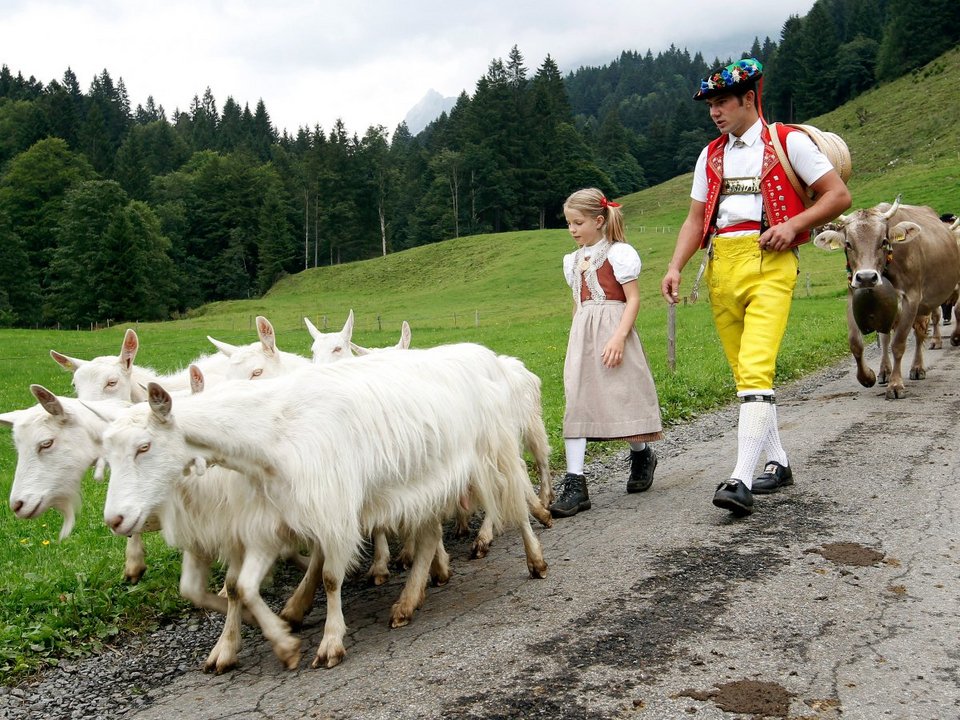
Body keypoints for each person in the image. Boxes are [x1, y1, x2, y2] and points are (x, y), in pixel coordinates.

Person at [659, 58, 851, 517]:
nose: (714, 112)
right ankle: (778, 462)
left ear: (749, 98)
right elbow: (694, 219)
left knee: (755, 369)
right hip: (721, 266)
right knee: (744, 374)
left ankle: (740, 479)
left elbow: (838, 195)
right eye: (710, 105)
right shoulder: (710, 155)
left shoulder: (788, 141)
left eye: (722, 102)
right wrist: (675, 266)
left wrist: (794, 225)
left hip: (771, 262)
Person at [550, 187, 664, 518]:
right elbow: (578, 303)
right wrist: (576, 338)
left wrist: (619, 337)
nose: (572, 230)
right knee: (577, 401)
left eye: (578, 223)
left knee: (622, 396)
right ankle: (575, 483)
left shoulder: (618, 253)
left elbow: (633, 299)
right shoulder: (572, 261)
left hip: (615, 329)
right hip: (583, 335)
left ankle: (642, 454)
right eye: (569, 223)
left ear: (599, 221)